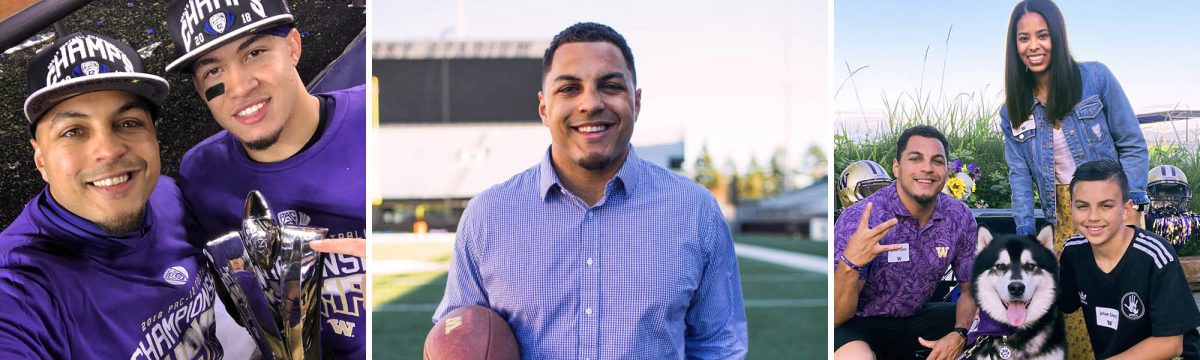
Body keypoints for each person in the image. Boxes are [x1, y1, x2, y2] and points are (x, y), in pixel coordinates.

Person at [432, 22, 748, 359]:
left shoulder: (695, 210)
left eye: (610, 86)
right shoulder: (487, 215)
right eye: (569, 88)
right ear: (544, 108)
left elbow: (718, 346)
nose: (590, 104)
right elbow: (456, 336)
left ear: (636, 102)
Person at [0, 31, 222, 359]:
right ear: (41, 159)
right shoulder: (20, 286)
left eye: (128, 122)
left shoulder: (166, 194)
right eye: (73, 131)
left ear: (154, 136)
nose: (108, 150)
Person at [164, 0, 366, 357]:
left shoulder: (379, 118)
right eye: (213, 72)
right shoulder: (202, 175)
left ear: (292, 46)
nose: (239, 86)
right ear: (200, 90)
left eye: (254, 52)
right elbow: (245, 310)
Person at [999, 0, 1150, 356]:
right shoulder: (1013, 110)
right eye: (1024, 38)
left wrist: (1130, 205)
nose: (1033, 46)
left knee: (1130, 307)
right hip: (1064, 219)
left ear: (1057, 36)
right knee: (1077, 318)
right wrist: (1025, 241)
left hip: (1115, 207)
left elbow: (1131, 143)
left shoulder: (1095, 78)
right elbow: (1019, 177)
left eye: (1042, 35)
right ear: (1014, 46)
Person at [833, 125, 978, 360]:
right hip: (860, 324)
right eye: (915, 158)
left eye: (937, 161)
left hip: (915, 319)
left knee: (993, 320)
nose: (927, 168)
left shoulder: (958, 216)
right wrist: (851, 264)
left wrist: (959, 333)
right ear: (896, 167)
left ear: (945, 170)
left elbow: (969, 289)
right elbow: (837, 316)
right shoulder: (861, 218)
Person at [1058, 159, 1200, 359]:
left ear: (1126, 210)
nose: (1093, 216)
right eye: (1082, 206)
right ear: (1070, 207)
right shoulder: (1073, 252)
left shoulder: (1154, 255)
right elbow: (1064, 303)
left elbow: (1171, 344)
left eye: (1106, 205)